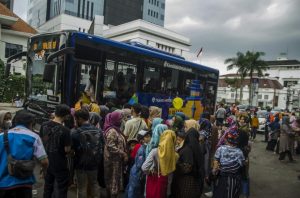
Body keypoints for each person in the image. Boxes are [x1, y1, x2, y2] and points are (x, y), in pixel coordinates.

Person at [0, 110, 48, 198]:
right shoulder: (34, 137)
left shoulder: (1, 136)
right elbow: (44, 161)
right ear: (31, 123)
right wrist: (44, 171)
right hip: (24, 185)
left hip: (3, 184)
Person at [40, 104, 72, 198]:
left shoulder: (44, 125)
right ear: (66, 116)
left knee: (48, 186)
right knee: (61, 188)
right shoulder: (65, 130)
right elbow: (67, 149)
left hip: (46, 160)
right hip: (59, 163)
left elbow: (42, 141)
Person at [71, 109, 103, 198]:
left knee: (81, 187)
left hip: (80, 164)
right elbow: (102, 145)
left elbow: (70, 149)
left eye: (76, 119)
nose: (75, 121)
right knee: (94, 183)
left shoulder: (74, 132)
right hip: (94, 163)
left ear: (80, 119)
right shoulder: (99, 131)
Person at [142, 130, 177, 198]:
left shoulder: (155, 151)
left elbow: (144, 167)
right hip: (168, 182)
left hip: (156, 178)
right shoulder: (175, 155)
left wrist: (149, 172)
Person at [172, 125, 204, 198]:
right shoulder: (195, 148)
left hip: (186, 182)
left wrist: (176, 164)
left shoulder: (188, 150)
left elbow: (187, 168)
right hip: (192, 181)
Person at [212, 128, 245, 198]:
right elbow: (242, 164)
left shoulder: (220, 149)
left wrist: (214, 172)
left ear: (226, 139)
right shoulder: (239, 152)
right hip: (233, 179)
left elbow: (216, 163)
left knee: (219, 193)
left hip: (221, 178)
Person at [103, 111, 127, 198]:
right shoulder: (112, 131)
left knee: (114, 179)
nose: (121, 120)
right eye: (119, 119)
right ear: (115, 119)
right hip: (112, 160)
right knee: (113, 179)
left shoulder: (116, 129)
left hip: (115, 160)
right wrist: (123, 153)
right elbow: (110, 146)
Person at [125, 130, 152, 198]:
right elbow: (140, 164)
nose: (149, 138)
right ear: (142, 140)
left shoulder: (146, 148)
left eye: (149, 136)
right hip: (137, 173)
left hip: (137, 172)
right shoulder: (141, 149)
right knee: (133, 190)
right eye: (147, 137)